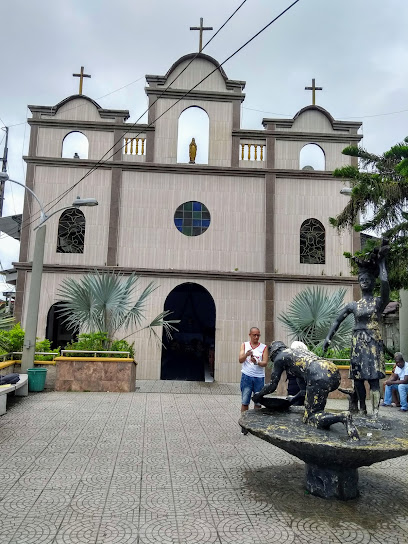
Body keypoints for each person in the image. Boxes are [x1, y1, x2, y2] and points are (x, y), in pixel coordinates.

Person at [323, 240, 390, 418]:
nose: (364, 282)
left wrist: (382, 263)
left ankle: (375, 412)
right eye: (361, 280)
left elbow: (385, 286)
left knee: (374, 380)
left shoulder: (378, 302)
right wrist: (328, 338)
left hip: (373, 342)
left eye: (367, 279)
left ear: (372, 281)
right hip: (358, 343)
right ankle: (362, 409)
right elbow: (337, 320)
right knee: (358, 380)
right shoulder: (354, 305)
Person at [253, 341, 359, 440]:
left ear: (273, 353)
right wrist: (293, 400)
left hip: (318, 374)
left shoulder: (279, 358)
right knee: (314, 409)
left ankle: (343, 417)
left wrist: (259, 394)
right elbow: (304, 391)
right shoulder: (297, 354)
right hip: (331, 370)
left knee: (311, 418)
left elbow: (272, 385)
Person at [239, 327, 268, 434]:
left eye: (258, 335)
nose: (256, 337)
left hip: (259, 378)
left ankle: (255, 425)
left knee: (258, 402)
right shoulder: (244, 345)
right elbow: (240, 360)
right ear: (250, 335)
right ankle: (244, 424)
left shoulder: (264, 347)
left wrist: (257, 362)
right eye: (254, 335)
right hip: (247, 376)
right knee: (245, 401)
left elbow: (265, 363)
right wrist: (246, 354)